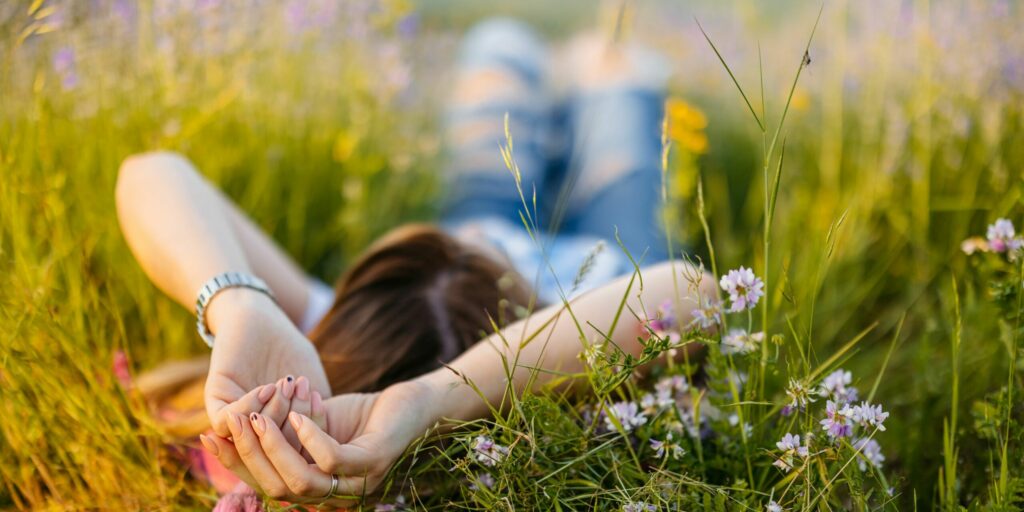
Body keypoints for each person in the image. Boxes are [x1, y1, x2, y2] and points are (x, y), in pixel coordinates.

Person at [116, 18, 712, 507]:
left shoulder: (321, 358)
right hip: (600, 272)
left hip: (477, 217)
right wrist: (429, 400)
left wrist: (240, 306)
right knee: (615, 105)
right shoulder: (551, 370)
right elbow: (694, 291)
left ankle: (538, 61)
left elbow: (150, 175)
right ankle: (594, 62)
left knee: (498, 51)